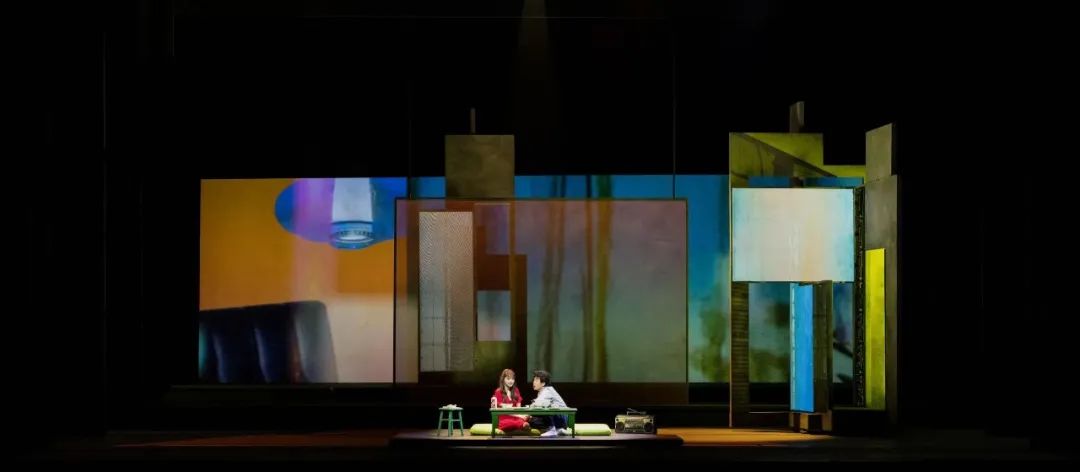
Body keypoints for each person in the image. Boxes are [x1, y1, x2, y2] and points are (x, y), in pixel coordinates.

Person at [527, 370, 571, 437]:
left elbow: (537, 405)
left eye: (536, 380)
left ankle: (553, 429)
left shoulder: (547, 390)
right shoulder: (542, 391)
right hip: (557, 418)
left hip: (561, 417)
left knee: (544, 409)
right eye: (534, 380)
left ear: (543, 383)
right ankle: (557, 429)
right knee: (533, 421)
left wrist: (529, 409)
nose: (533, 382)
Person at [490, 368, 529, 433]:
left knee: (525, 418)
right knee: (510, 423)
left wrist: (522, 415)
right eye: (508, 379)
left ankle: (522, 425)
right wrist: (520, 415)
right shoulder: (498, 391)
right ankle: (521, 426)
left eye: (512, 379)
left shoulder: (516, 390)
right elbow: (504, 410)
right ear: (503, 379)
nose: (511, 381)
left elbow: (518, 408)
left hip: (516, 417)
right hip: (505, 418)